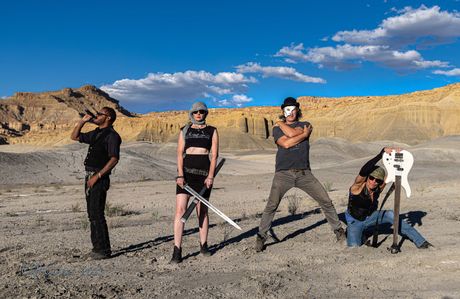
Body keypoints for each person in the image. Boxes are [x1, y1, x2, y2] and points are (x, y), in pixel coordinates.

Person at [255, 97, 345, 252]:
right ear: (283, 111)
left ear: (297, 110)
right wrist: (301, 135)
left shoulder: (305, 125)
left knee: (325, 201)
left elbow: (292, 135)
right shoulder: (276, 129)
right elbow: (286, 143)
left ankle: (339, 232)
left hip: (305, 173)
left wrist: (286, 126)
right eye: (287, 110)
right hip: (283, 173)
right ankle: (261, 237)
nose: (290, 112)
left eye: (293, 109)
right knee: (271, 206)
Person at [345, 147, 432, 249]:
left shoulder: (379, 186)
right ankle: (355, 232)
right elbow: (364, 170)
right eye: (371, 178)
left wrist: (398, 156)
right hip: (355, 222)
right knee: (354, 246)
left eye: (377, 180)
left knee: (391, 214)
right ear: (368, 177)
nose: (373, 182)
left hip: (371, 218)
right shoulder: (358, 186)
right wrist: (381, 154)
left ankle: (421, 242)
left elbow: (393, 171)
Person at [70, 107, 122, 260]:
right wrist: (82, 122)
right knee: (92, 214)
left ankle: (103, 250)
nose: (97, 116)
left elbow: (114, 159)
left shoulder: (112, 136)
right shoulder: (96, 133)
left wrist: (97, 176)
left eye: (100, 114)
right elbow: (74, 137)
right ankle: (96, 248)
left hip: (98, 178)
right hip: (89, 177)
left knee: (97, 214)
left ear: (108, 118)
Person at [171, 101, 219, 263]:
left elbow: (214, 155)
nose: (199, 114)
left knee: (202, 211)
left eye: (202, 112)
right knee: (180, 210)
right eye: (196, 112)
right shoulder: (184, 130)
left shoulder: (212, 131)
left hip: (204, 174)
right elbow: (179, 154)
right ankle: (177, 250)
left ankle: (204, 245)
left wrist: (211, 176)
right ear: (191, 113)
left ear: (206, 113)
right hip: (186, 174)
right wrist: (180, 175)